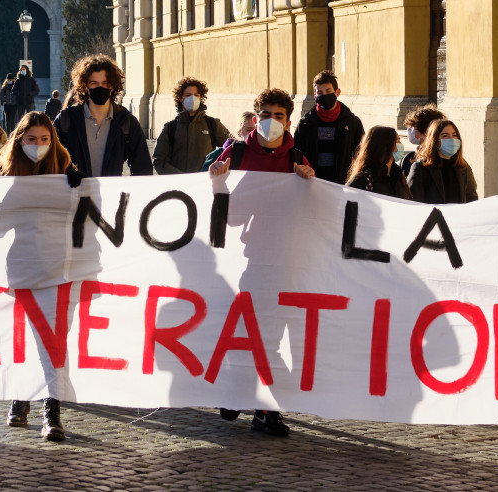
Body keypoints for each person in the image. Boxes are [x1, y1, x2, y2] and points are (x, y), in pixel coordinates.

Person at [208, 87, 314, 438]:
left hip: (287, 259)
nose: (272, 122)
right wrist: (219, 183)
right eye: (266, 115)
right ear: (256, 118)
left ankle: (264, 408)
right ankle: (240, 392)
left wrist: (309, 185)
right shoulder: (236, 153)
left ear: (288, 120)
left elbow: (311, 212)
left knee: (271, 334)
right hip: (248, 260)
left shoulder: (296, 157)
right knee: (249, 331)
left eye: (279, 116)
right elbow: (229, 218)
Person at [0, 111, 83, 441]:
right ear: (19, 141)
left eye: (44, 139)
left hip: (61, 268)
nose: (39, 145)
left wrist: (79, 191)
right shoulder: (8, 174)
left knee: (54, 341)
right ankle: (21, 396)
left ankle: (51, 410)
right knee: (30, 338)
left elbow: (86, 219)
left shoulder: (67, 170)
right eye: (31, 140)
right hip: (24, 269)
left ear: (52, 141)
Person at [53, 54, 152, 178]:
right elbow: (50, 161)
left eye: (105, 83)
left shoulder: (126, 122)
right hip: (74, 194)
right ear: (85, 86)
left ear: (112, 86)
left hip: (111, 195)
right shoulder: (66, 120)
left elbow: (143, 168)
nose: (100, 87)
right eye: (94, 83)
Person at [293, 70, 364, 184]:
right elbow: (296, 154)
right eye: (320, 92)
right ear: (315, 95)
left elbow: (361, 153)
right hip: (312, 182)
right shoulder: (305, 124)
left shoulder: (352, 122)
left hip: (342, 183)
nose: (324, 95)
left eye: (328, 91)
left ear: (337, 92)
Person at [153, 77, 231, 174]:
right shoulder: (170, 128)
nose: (192, 98)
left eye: (196, 95)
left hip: (205, 183)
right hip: (177, 185)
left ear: (200, 97)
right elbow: (159, 161)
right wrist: (180, 177)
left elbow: (230, 148)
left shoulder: (213, 124)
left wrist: (216, 168)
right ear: (180, 98)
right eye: (188, 95)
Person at [406, 119, 479, 204]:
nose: (452, 139)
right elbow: (414, 201)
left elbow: (471, 197)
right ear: (435, 140)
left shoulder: (462, 166)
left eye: (454, 135)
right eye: (445, 136)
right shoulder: (421, 167)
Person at [344, 126, 411, 199]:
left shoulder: (398, 174)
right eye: (398, 141)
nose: (401, 145)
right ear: (387, 146)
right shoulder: (364, 179)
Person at [401, 104, 445, 176]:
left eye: (413, 127)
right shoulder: (408, 159)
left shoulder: (444, 158)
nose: (409, 130)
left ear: (427, 131)